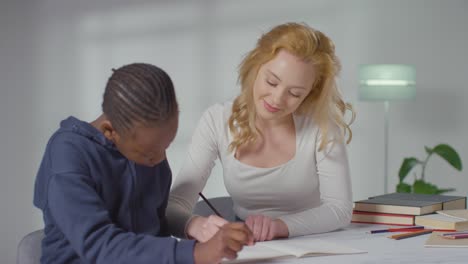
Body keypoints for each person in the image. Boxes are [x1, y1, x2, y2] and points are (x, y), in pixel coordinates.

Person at [33, 63, 253, 264]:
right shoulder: (68, 156)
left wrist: (192, 225)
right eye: (148, 154)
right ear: (110, 131)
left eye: (164, 147)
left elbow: (151, 224)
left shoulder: (149, 148)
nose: (157, 160)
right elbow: (99, 245)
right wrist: (196, 254)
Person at [167, 22, 355, 243]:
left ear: (309, 94)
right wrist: (196, 225)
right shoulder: (216, 120)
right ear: (255, 67)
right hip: (251, 246)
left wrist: (279, 227)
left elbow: (340, 210)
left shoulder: (321, 128)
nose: (277, 99)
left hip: (312, 241)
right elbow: (173, 206)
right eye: (271, 82)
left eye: (294, 94)